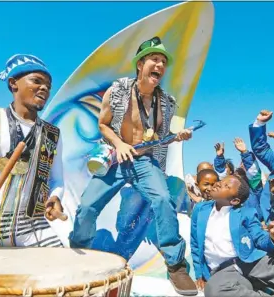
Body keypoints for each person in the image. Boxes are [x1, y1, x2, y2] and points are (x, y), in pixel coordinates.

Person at [69, 36, 198, 296]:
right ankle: (76, 251)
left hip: (145, 161)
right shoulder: (118, 90)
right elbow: (103, 124)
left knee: (163, 199)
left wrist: (179, 136)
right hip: (117, 157)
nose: (159, 65)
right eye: (154, 59)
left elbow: (161, 136)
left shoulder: (167, 102)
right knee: (87, 207)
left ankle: (175, 264)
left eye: (163, 62)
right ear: (140, 64)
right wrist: (119, 144)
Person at [0, 54, 65, 247]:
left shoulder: (52, 134)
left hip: (30, 227)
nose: (44, 88)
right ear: (13, 83)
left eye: (48, 86)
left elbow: (57, 179)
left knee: (65, 270)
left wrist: (54, 197)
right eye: (37, 81)